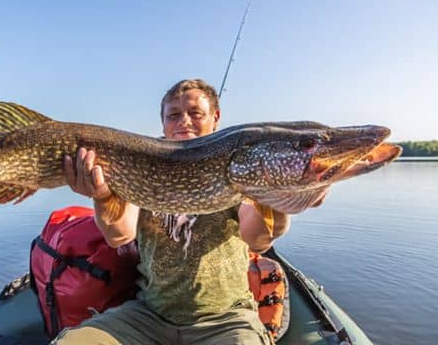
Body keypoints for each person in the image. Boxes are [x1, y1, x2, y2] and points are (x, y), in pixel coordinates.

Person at [55, 79, 292, 345]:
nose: (184, 122)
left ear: (215, 118)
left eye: (196, 113)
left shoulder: (236, 163)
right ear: (163, 123)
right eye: (174, 115)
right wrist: (101, 196)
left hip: (226, 321)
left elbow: (256, 239)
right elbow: (119, 236)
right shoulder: (140, 161)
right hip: (148, 316)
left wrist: (277, 199)